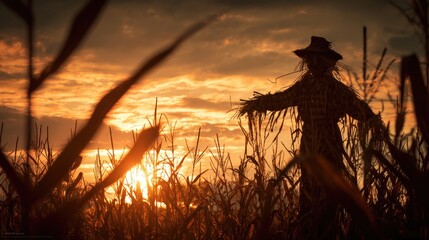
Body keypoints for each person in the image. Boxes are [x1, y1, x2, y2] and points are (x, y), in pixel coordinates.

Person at [238, 36, 384, 239]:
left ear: (329, 63)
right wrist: (257, 103)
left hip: (330, 140)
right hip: (308, 141)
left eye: (319, 59)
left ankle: (327, 230)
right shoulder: (303, 88)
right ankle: (308, 230)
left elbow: (359, 110)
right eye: (311, 60)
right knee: (308, 186)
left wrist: (375, 122)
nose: (314, 64)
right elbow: (281, 99)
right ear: (306, 62)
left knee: (330, 188)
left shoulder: (338, 90)